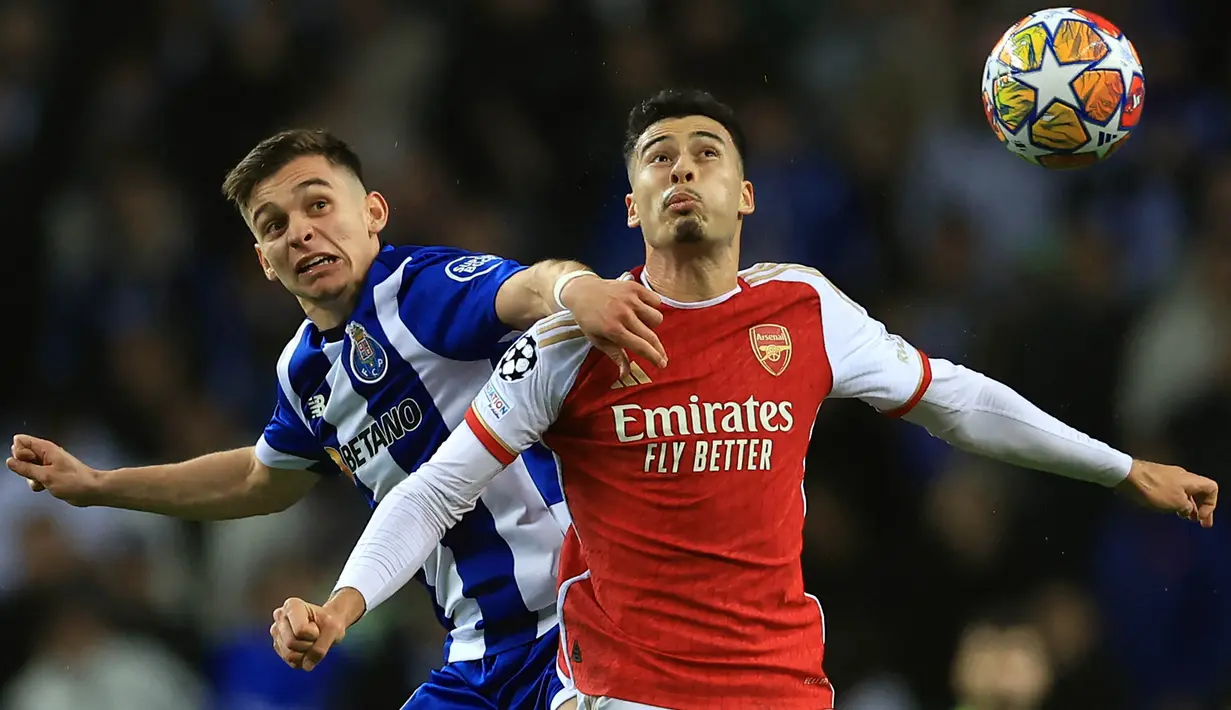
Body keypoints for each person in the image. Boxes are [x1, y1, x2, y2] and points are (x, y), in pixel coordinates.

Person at [266, 91, 1219, 709]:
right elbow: (435, 490)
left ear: (746, 195)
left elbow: (955, 399)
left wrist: (1123, 467)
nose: (683, 167)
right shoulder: (574, 341)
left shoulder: (802, 307)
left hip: (779, 690)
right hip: (621, 695)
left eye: (706, 152)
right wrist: (344, 609)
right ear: (632, 207)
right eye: (658, 157)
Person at [6, 128, 672, 710]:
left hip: (581, 620)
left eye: (318, 205)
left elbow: (529, 287)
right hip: (478, 655)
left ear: (373, 212)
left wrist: (576, 289)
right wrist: (98, 486)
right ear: (264, 262)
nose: (299, 231)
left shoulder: (419, 289)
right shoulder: (302, 372)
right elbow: (258, 481)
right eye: (272, 225)